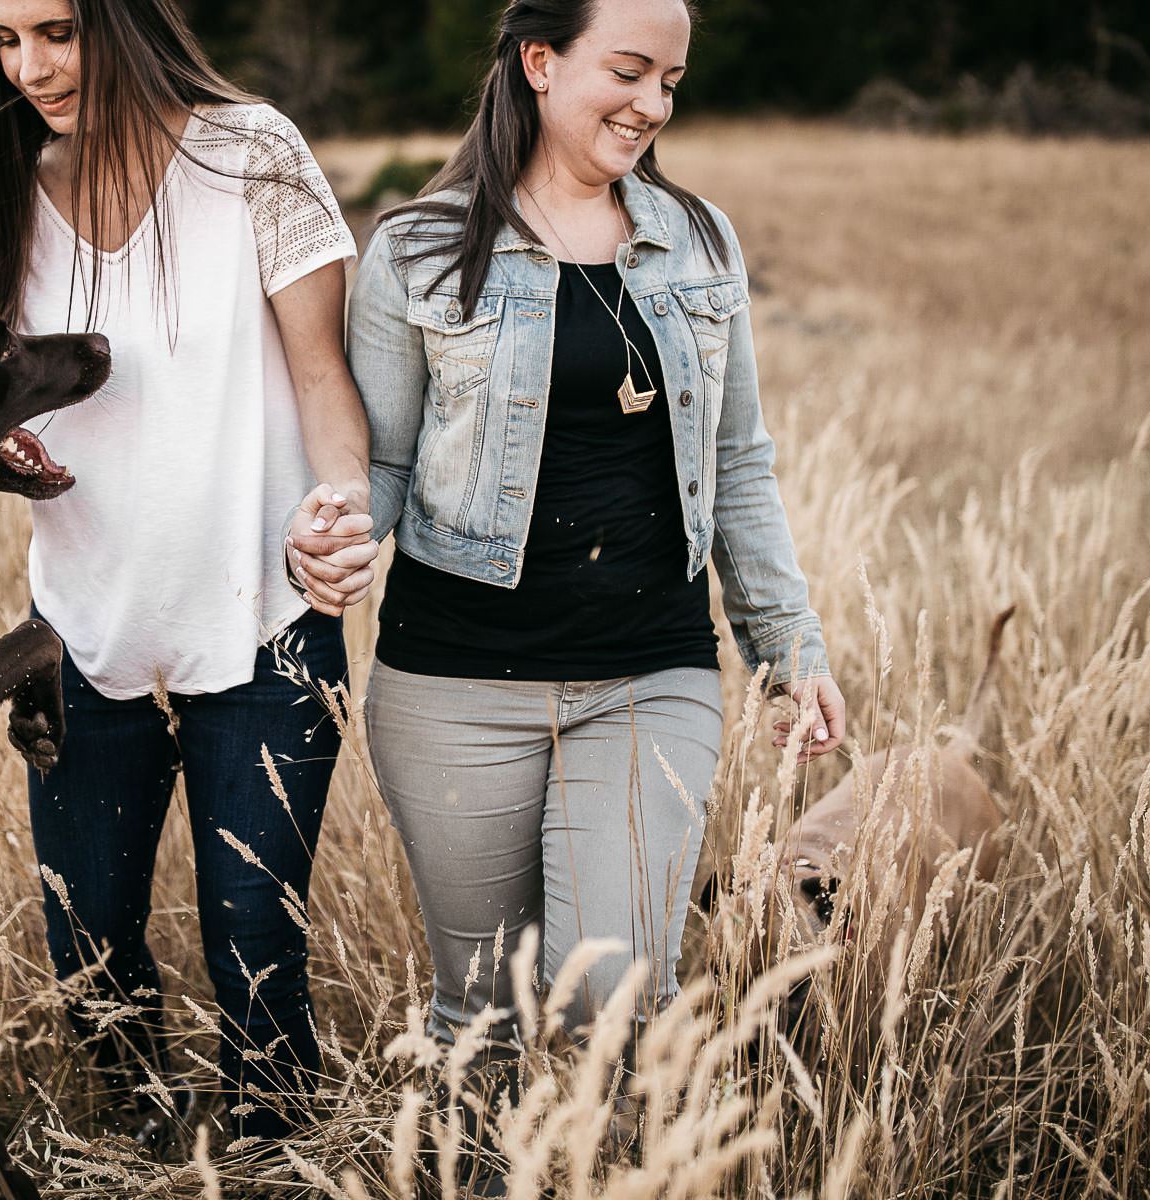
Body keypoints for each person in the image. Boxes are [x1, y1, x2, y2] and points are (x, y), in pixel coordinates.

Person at [298, 0, 846, 1125]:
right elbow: (384, 463)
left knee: (611, 995)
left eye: (672, 82)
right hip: (453, 685)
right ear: (540, 62)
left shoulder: (700, 242)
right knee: (479, 1013)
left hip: (652, 673)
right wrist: (338, 527)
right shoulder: (417, 250)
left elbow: (739, 463)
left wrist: (790, 651)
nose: (653, 105)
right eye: (631, 71)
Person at [0, 0, 378, 1147]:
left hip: (268, 622)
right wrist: (0, 449)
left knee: (257, 946)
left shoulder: (253, 154)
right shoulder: (8, 194)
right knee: (88, 944)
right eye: (6, 39)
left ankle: (275, 1155)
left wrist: (341, 499)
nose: (31, 67)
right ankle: (140, 1150)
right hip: (83, 629)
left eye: (58, 31)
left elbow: (325, 379)